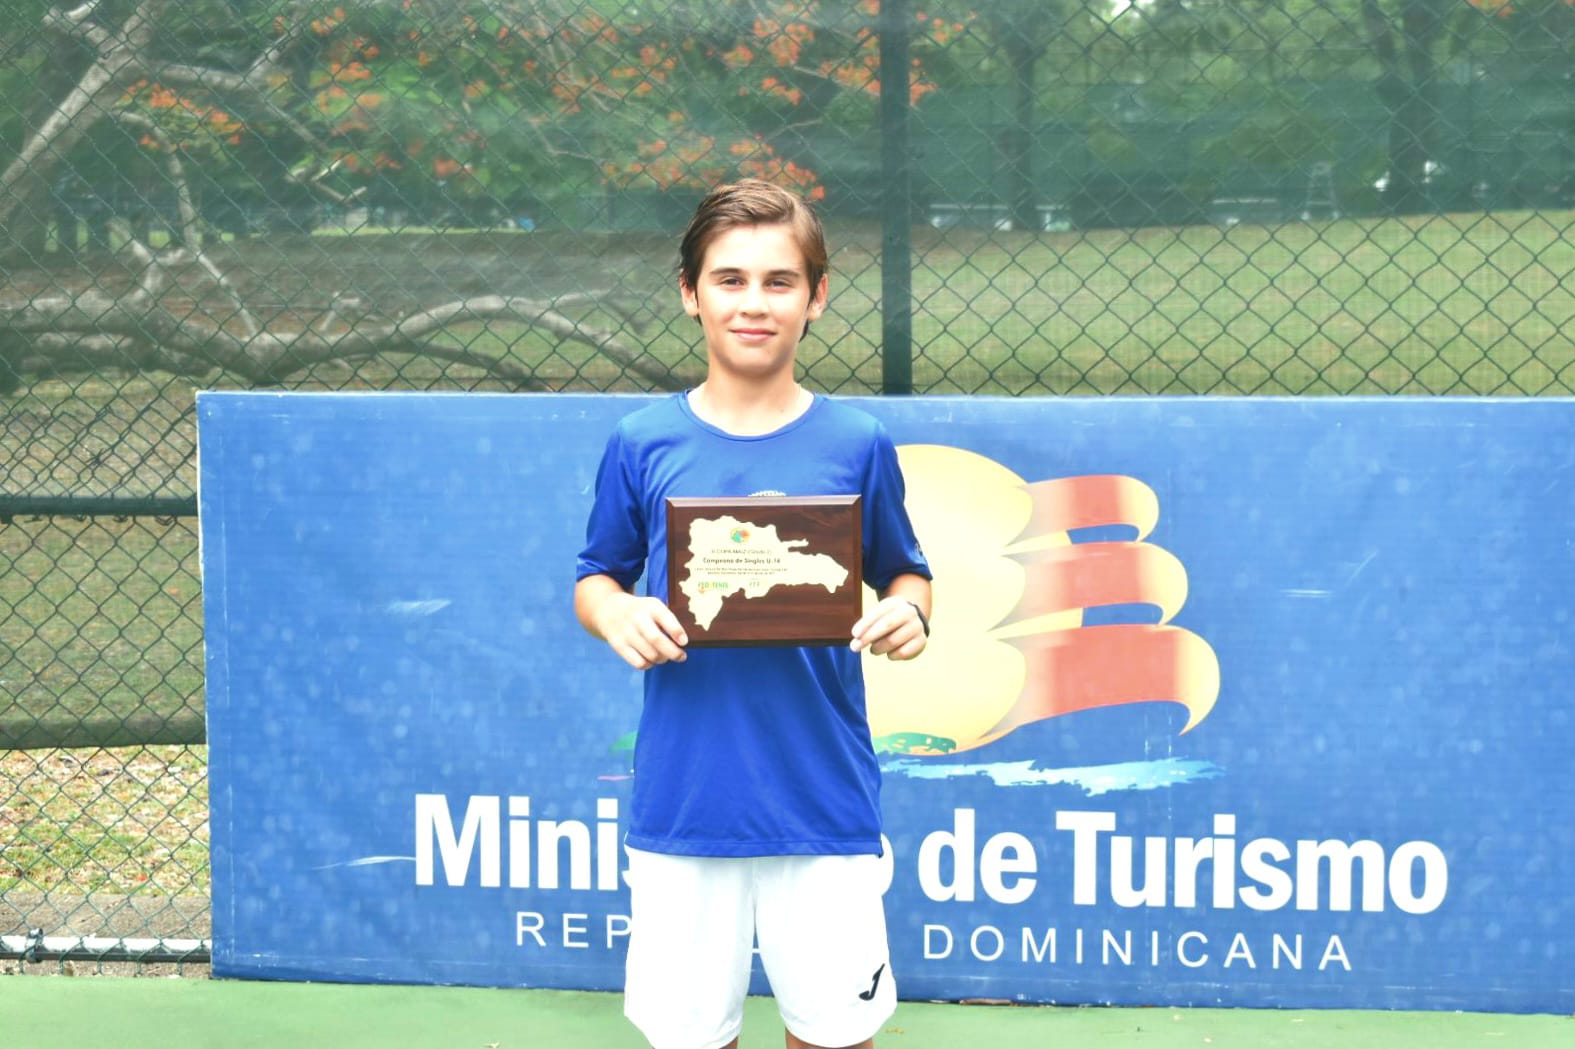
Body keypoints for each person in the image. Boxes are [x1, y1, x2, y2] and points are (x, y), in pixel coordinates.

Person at [574, 179, 933, 1049]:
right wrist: (615, 612)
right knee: (692, 1036)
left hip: (821, 796)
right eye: (729, 280)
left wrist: (906, 616)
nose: (753, 303)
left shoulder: (856, 441)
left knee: (834, 1036)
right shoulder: (641, 441)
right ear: (689, 293)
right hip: (687, 798)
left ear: (815, 298)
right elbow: (594, 575)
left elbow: (906, 575)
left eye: (779, 282)